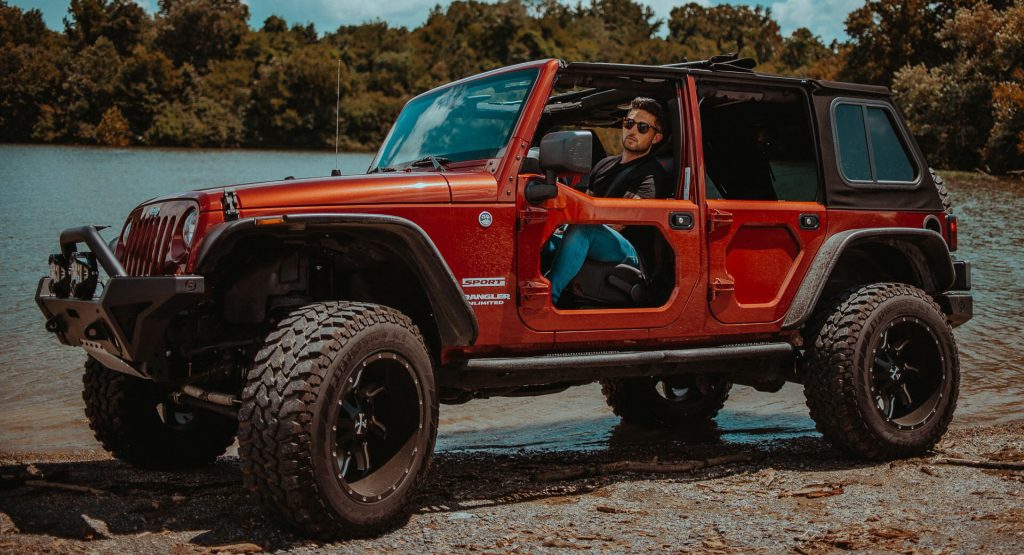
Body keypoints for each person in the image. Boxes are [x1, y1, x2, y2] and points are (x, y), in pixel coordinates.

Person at [546, 96, 670, 305]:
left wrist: (576, 226)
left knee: (583, 231)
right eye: (629, 124)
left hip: (629, 250)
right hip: (596, 234)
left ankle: (548, 299)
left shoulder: (652, 173)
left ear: (655, 138)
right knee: (543, 236)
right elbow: (585, 206)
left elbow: (619, 222)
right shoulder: (604, 165)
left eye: (642, 127)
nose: (632, 131)